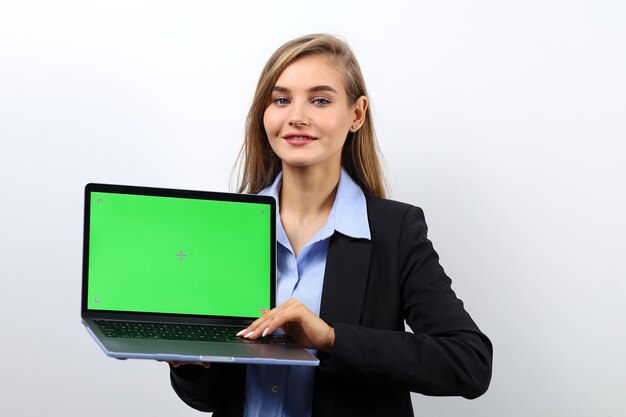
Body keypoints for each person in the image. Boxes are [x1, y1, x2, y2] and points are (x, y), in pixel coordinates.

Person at [168, 33, 493, 417]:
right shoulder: (227, 228)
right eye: (281, 99)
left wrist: (331, 340)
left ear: (357, 114)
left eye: (320, 100)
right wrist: (189, 366)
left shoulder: (395, 230)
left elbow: (469, 363)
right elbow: (213, 397)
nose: (297, 117)